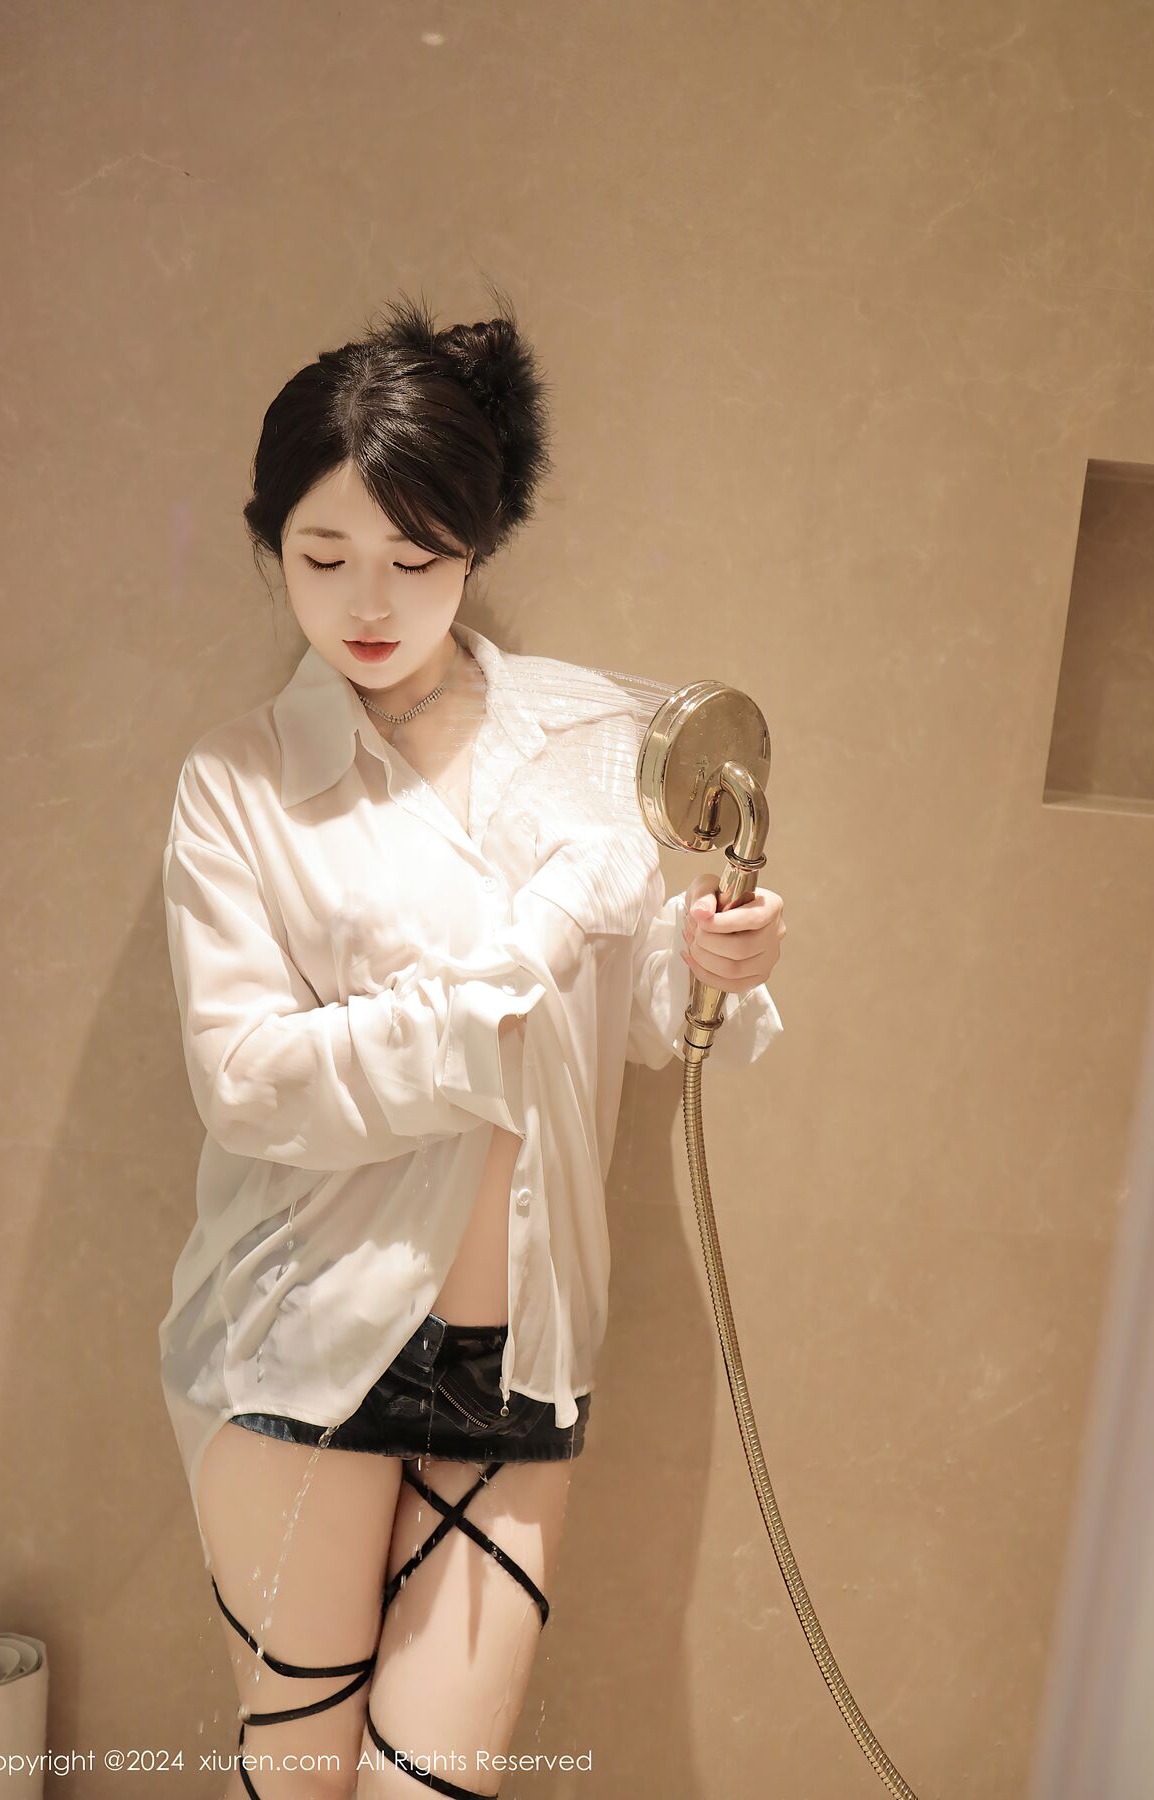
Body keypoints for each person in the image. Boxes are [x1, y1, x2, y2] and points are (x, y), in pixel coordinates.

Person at [158, 288, 787, 1799]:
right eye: (322, 558)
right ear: (271, 544)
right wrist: (522, 958)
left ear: (478, 546)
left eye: (418, 556)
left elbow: (629, 1017)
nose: (368, 600)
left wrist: (705, 959)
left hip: (525, 1352)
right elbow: (248, 1084)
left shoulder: (587, 742)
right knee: (297, 1782)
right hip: (299, 1345)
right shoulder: (237, 783)